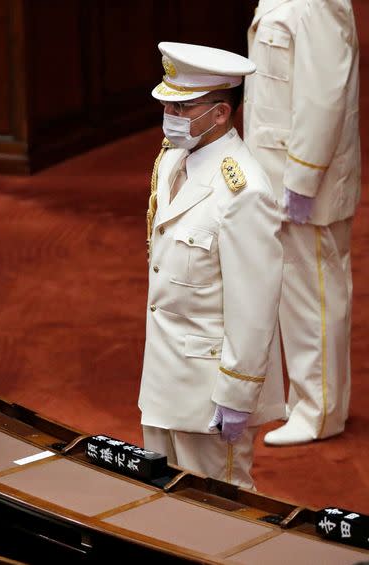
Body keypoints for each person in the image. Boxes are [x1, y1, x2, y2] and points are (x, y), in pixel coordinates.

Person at [139, 42, 285, 489]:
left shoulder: (244, 192)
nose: (170, 115)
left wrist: (238, 395)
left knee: (220, 513)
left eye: (182, 107)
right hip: (163, 380)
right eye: (167, 103)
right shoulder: (172, 161)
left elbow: (254, 304)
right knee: (163, 505)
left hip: (209, 394)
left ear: (220, 114)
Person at [244, 0, 360, 446]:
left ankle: (320, 412)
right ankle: (310, 397)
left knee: (315, 296)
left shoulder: (319, 4)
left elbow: (322, 96)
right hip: (278, 169)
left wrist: (303, 176)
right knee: (295, 293)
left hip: (306, 178)